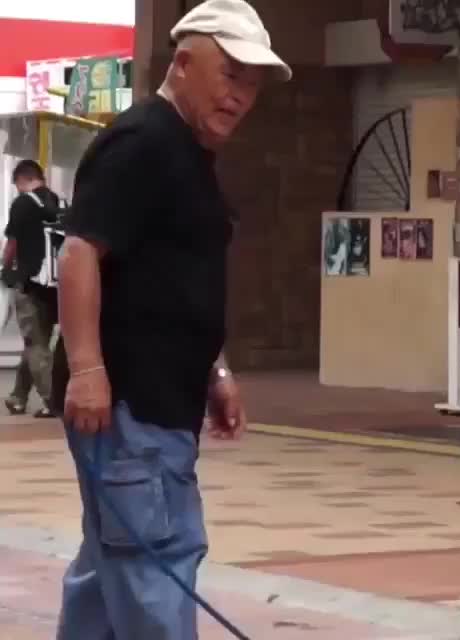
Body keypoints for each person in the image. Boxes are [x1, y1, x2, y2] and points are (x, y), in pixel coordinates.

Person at [51, 1, 291, 638]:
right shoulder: (143, 142)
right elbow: (80, 253)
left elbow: (174, 281)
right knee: (155, 564)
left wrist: (215, 368)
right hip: (132, 405)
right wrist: (87, 369)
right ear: (183, 63)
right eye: (229, 75)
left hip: (158, 403)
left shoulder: (188, 154)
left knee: (111, 571)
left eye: (251, 84)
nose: (240, 97)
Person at [2, 159, 58, 418]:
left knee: (36, 345)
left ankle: (52, 400)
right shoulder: (57, 201)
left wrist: (5, 267)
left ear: (22, 179)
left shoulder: (23, 203)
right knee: (36, 341)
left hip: (27, 281)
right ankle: (18, 397)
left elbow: (12, 242)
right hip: (51, 283)